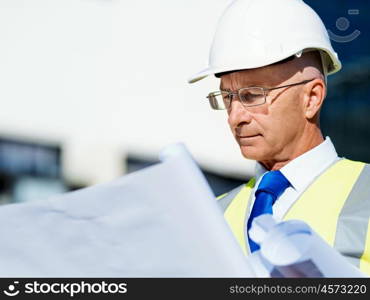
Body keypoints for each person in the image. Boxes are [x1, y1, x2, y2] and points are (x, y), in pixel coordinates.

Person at [188, 0, 370, 275]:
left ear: (312, 97)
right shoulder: (210, 217)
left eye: (252, 95)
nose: (235, 116)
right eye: (227, 97)